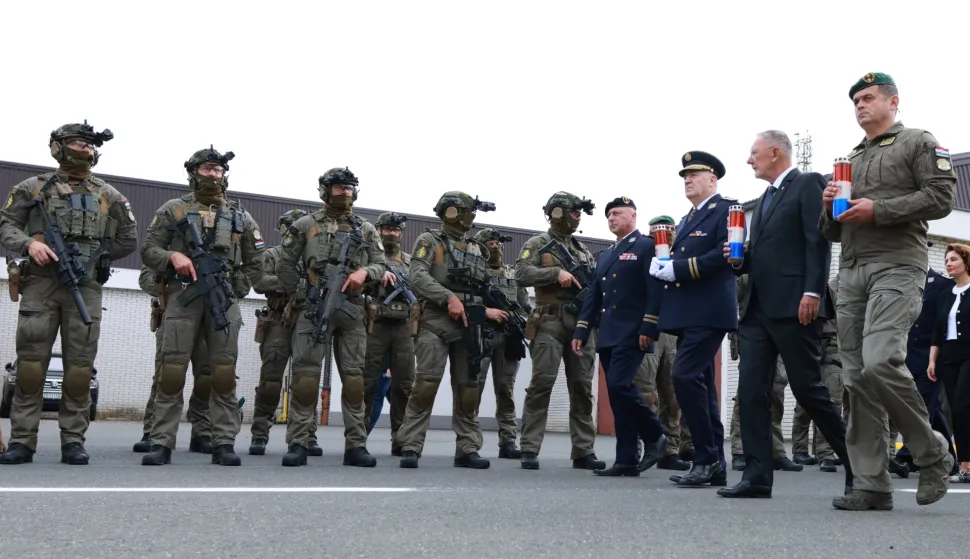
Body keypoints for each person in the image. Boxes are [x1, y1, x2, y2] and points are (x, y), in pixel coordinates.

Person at [820, 72, 956, 510]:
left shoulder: (918, 141)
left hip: (897, 265)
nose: (860, 105)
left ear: (893, 102)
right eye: (855, 100)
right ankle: (871, 484)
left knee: (881, 361)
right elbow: (834, 234)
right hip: (853, 271)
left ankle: (932, 452)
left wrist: (878, 209)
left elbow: (940, 199)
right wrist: (829, 210)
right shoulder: (850, 161)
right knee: (857, 380)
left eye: (868, 97)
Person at [718, 130, 851, 499]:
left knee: (809, 390)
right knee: (750, 392)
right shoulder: (764, 200)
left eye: (753, 153)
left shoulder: (807, 183)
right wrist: (740, 259)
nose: (749, 160)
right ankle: (758, 477)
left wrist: (812, 290)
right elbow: (765, 253)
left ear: (775, 152)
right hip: (757, 311)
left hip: (795, 306)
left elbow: (817, 239)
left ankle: (858, 467)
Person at [0, 121, 137, 466]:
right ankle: (22, 441)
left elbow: (128, 239)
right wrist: (30, 244)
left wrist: (96, 258)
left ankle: (73, 440)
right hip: (41, 284)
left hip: (85, 287)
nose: (85, 150)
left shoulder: (109, 194)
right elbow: (6, 224)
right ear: (59, 147)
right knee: (31, 366)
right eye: (78, 143)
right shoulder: (32, 188)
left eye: (90, 145)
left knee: (79, 368)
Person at [140, 146, 264, 467]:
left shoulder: (241, 216)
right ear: (194, 172)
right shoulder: (174, 209)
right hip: (183, 297)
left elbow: (256, 262)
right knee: (172, 371)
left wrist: (237, 289)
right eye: (207, 168)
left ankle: (222, 441)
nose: (213, 174)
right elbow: (149, 249)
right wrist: (172, 257)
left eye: (218, 169)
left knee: (222, 374)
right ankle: (161, 441)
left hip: (223, 299)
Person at [276, 168, 386, 467]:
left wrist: (365, 272)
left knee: (354, 380)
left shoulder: (366, 229)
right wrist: (303, 294)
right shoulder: (305, 224)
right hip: (314, 307)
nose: (345, 192)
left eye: (350, 188)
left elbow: (380, 264)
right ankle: (298, 442)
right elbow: (285, 265)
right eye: (339, 187)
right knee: (306, 378)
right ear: (326, 190)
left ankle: (356, 446)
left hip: (351, 310)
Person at [650, 151, 736, 487]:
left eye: (694, 174)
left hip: (710, 310)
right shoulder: (687, 219)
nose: (687, 180)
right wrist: (663, 267)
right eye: (685, 175)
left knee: (683, 376)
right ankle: (714, 462)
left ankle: (706, 457)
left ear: (712, 179)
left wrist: (678, 269)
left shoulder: (726, 209)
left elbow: (726, 253)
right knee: (701, 386)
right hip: (689, 312)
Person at [395, 192, 498, 470]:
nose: (471, 217)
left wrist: (488, 310)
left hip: (471, 322)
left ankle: (467, 448)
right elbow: (417, 275)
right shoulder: (429, 241)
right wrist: (447, 297)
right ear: (452, 212)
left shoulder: (477, 247)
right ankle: (411, 445)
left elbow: (484, 285)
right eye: (467, 211)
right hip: (436, 320)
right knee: (425, 384)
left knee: (468, 387)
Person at [573, 196, 668, 476]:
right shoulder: (605, 255)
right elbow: (594, 296)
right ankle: (626, 460)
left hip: (634, 332)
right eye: (608, 215)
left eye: (617, 213)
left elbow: (656, 289)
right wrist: (581, 328)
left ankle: (655, 434)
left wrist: (650, 326)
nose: (611, 218)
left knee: (620, 386)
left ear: (633, 216)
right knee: (617, 396)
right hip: (609, 334)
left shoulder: (647, 246)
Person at [514, 192, 605, 471]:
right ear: (557, 213)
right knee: (542, 383)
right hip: (549, 321)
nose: (578, 217)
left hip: (580, 324)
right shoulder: (538, 244)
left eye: (580, 213)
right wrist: (554, 275)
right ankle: (529, 447)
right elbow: (521, 273)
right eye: (573, 211)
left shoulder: (582, 250)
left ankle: (583, 450)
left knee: (582, 387)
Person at [249, 209, 324, 458]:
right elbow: (259, 281)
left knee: (307, 381)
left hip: (309, 318)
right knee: (270, 380)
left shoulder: (316, 256)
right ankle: (260, 434)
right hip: (279, 320)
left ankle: (307, 435)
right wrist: (295, 284)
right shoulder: (273, 254)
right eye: (288, 227)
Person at [132, 265, 212, 454]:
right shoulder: (169, 245)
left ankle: (202, 432)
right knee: (167, 375)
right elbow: (145, 277)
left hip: (207, 315)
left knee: (206, 376)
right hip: (173, 315)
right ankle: (152, 431)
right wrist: (174, 289)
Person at [633, 216, 691, 471]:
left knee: (673, 394)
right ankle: (636, 448)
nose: (664, 234)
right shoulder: (645, 254)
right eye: (658, 230)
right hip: (649, 325)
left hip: (674, 329)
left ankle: (669, 451)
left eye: (668, 230)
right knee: (644, 392)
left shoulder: (681, 254)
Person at [896, 245, 958, 474]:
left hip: (932, 358)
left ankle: (904, 455)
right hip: (907, 356)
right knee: (933, 410)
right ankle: (949, 460)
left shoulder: (944, 285)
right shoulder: (903, 283)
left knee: (920, 405)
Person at [362, 211, 416, 455]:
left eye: (395, 230)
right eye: (386, 229)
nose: (391, 234)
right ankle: (358, 438)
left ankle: (401, 439)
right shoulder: (370, 257)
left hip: (404, 328)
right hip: (375, 326)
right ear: (379, 231)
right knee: (367, 384)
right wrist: (376, 273)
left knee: (404, 386)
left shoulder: (411, 261)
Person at [474, 227, 530, 459]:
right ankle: (469, 442)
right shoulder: (475, 272)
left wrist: (529, 322)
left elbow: (525, 304)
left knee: (505, 390)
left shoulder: (513, 273)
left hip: (509, 338)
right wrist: (486, 311)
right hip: (482, 335)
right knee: (473, 388)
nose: (497, 247)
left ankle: (508, 441)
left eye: (499, 244)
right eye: (491, 243)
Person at [790, 273, 846, 473]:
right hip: (822, 345)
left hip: (843, 346)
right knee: (813, 400)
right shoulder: (829, 287)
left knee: (834, 400)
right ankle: (815, 452)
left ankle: (826, 451)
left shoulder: (855, 286)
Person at [927, 244, 970, 482]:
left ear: (965, 262)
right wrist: (932, 360)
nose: (948, 263)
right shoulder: (945, 294)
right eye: (946, 260)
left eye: (953, 259)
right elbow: (937, 330)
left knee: (963, 406)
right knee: (956, 410)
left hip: (969, 354)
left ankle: (967, 465)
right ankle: (965, 467)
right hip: (949, 357)